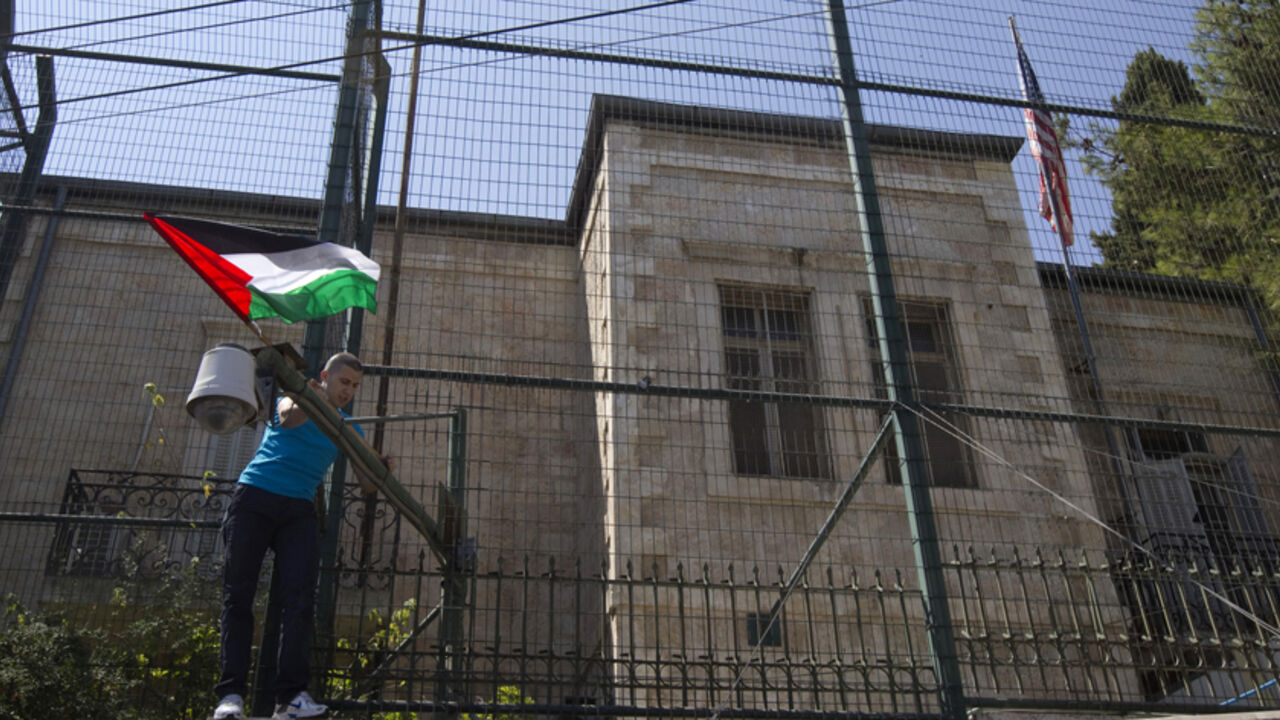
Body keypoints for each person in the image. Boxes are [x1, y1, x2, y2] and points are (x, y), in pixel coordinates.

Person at [212, 352, 378, 720]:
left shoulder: (349, 425)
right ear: (326, 376)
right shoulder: (296, 396)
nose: (348, 391)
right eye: (343, 382)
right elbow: (287, 419)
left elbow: (368, 481)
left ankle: (291, 700)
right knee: (238, 597)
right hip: (256, 496)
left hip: (298, 509)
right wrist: (314, 397)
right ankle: (231, 698)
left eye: (354, 385)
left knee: (300, 601)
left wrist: (382, 467)